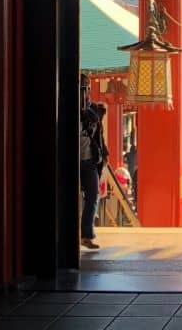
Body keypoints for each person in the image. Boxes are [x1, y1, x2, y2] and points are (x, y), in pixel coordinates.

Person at [79, 75, 103, 250]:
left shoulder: (93, 111)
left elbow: (99, 138)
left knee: (93, 196)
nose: (84, 92)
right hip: (72, 160)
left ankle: (86, 234)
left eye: (86, 89)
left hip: (89, 159)